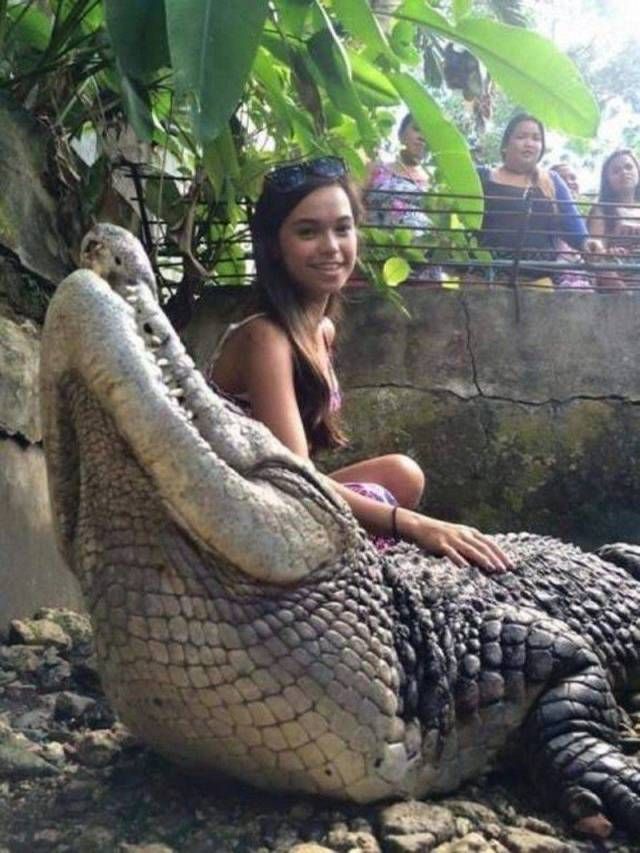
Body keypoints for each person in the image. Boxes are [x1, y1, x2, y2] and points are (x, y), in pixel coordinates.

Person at [208, 155, 511, 572]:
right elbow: (296, 482)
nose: (331, 247)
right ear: (275, 246)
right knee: (385, 504)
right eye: (307, 231)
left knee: (403, 474)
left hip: (284, 494)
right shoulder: (265, 337)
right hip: (244, 510)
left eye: (342, 228)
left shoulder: (322, 330)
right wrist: (415, 525)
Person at [477, 114, 599, 282]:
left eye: (536, 138)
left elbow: (572, 222)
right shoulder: (482, 177)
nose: (529, 143)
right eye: (521, 137)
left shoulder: (552, 181)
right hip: (486, 279)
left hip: (540, 281)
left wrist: (587, 243)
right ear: (505, 145)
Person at [364, 114, 442, 282]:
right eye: (416, 129)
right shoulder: (376, 168)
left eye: (428, 134)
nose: (422, 137)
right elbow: (351, 207)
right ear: (400, 134)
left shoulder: (436, 184)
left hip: (425, 274)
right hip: (378, 266)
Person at [587, 149, 640, 281]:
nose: (624, 172)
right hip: (618, 274)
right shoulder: (602, 210)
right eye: (616, 171)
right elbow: (595, 253)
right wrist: (609, 252)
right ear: (607, 180)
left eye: (629, 167)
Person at [549, 162, 592, 289]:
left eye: (573, 178)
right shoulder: (547, 218)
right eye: (562, 179)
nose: (569, 182)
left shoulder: (588, 216)